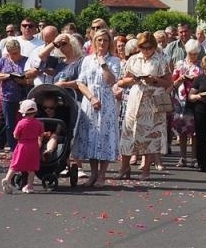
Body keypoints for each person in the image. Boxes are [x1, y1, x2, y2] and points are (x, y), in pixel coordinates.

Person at [117, 32, 172, 183]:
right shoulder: (133, 59)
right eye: (143, 47)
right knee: (128, 134)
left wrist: (154, 80)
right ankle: (124, 167)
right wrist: (133, 79)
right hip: (135, 98)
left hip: (152, 100)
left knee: (149, 135)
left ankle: (146, 169)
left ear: (154, 47)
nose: (146, 50)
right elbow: (122, 81)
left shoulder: (162, 60)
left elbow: (169, 82)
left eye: (149, 48)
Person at [71, 29, 123, 189]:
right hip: (90, 100)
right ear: (94, 42)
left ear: (109, 43)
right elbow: (80, 82)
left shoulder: (114, 60)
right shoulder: (86, 60)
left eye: (105, 41)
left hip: (106, 102)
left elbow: (111, 80)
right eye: (99, 40)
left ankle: (102, 174)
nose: (102, 43)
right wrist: (91, 97)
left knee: (104, 136)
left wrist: (103, 64)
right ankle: (93, 173)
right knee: (92, 137)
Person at [4, 98, 44, 193]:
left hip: (22, 145)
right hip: (34, 146)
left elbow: (15, 135)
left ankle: (7, 179)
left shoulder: (21, 123)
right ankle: (29, 186)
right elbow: (41, 134)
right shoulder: (39, 123)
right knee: (32, 168)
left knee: (15, 164)